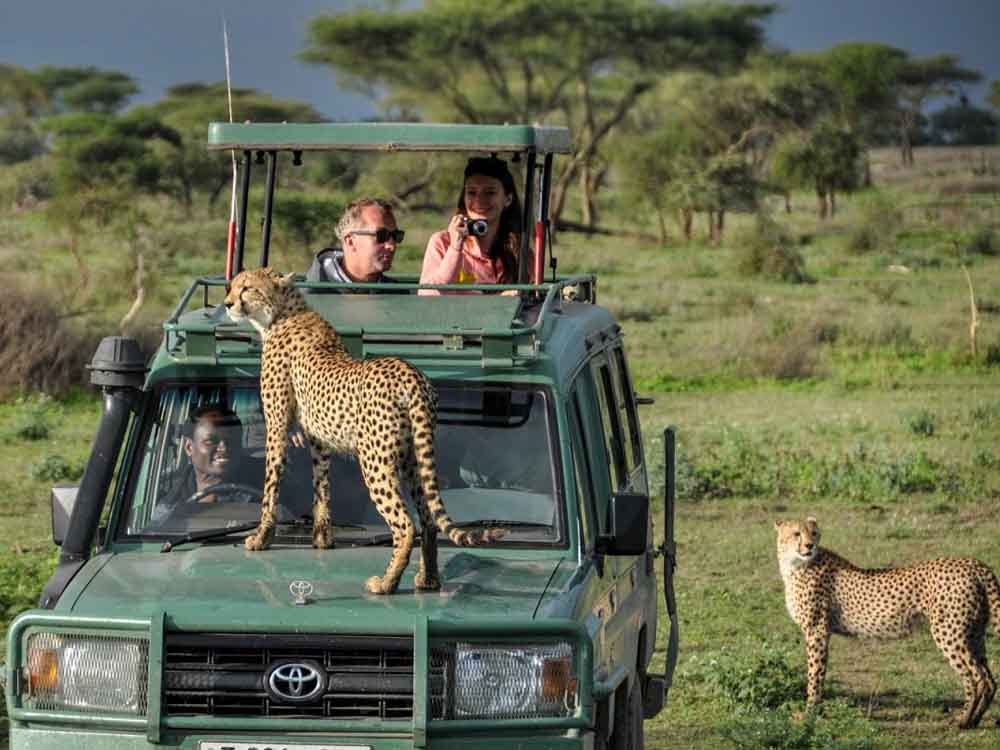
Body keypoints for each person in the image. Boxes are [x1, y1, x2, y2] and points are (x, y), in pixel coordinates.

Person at [418, 157, 525, 295]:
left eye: (490, 193)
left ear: (508, 199)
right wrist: (455, 248)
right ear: (464, 197)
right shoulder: (442, 242)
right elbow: (429, 297)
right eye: (472, 193)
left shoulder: (518, 249)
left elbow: (534, 301)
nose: (479, 201)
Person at [153, 405, 259, 521]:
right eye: (211, 441)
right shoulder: (170, 504)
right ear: (189, 448)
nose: (224, 448)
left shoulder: (269, 489)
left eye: (232, 441)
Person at [306, 197, 406, 291]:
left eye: (396, 236)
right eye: (382, 236)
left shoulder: (397, 294)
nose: (391, 246)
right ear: (350, 241)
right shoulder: (310, 296)